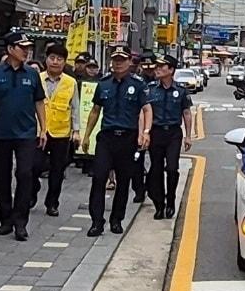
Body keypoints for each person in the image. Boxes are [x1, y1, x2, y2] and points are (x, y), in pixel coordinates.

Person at [0, 32, 47, 242]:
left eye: (28, 47)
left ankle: (20, 221)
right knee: (1, 178)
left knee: (25, 174)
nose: (26, 51)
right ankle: (5, 219)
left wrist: (44, 129)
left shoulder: (32, 74)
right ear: (9, 49)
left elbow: (39, 102)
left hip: (26, 133)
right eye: (21, 47)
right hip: (1, 133)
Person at [81, 44, 152, 237]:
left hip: (128, 138)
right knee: (99, 178)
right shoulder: (103, 84)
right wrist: (86, 135)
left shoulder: (138, 85)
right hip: (106, 138)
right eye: (115, 60)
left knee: (123, 181)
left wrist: (145, 132)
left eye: (122, 60)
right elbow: (95, 111)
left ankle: (116, 220)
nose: (118, 63)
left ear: (129, 62)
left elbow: (146, 109)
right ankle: (96, 221)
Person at [31, 43, 80, 217]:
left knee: (57, 171)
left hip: (61, 132)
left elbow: (75, 107)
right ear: (46, 59)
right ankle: (32, 190)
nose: (55, 62)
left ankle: (52, 203)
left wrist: (76, 131)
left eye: (59, 59)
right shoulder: (36, 78)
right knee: (33, 166)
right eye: (52, 58)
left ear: (64, 62)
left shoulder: (70, 82)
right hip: (39, 132)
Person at [146, 55, 193, 220]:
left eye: (161, 66)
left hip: (173, 133)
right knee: (156, 169)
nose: (157, 69)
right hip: (155, 133)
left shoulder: (180, 90)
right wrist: (144, 133)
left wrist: (188, 136)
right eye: (156, 66)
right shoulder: (150, 89)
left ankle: (171, 200)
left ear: (171, 70)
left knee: (172, 168)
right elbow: (144, 112)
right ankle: (159, 204)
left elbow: (186, 113)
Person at [131, 52, 158, 204]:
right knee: (136, 161)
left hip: (157, 127)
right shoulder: (136, 82)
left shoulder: (160, 81)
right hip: (138, 126)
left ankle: (150, 186)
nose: (148, 69)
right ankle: (138, 190)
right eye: (145, 66)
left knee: (157, 162)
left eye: (151, 66)